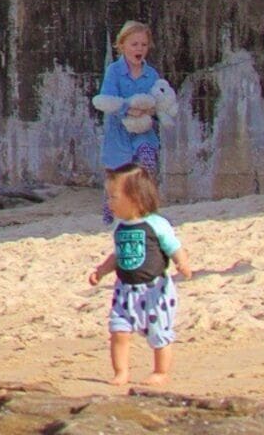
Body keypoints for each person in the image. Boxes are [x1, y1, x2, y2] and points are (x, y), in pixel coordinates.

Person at [87, 163, 192, 392]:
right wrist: (102, 270)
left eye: (114, 197)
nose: (109, 203)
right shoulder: (121, 227)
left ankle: (160, 371)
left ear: (134, 197)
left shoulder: (156, 224)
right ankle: (121, 371)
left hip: (154, 290)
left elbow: (173, 246)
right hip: (125, 290)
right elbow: (118, 255)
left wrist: (181, 262)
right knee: (118, 331)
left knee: (159, 333)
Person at [92, 20, 177, 208]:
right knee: (117, 181)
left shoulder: (152, 74)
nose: (140, 48)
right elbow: (107, 99)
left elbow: (158, 101)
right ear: (122, 46)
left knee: (147, 163)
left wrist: (152, 111)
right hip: (118, 134)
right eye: (134, 44)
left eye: (144, 44)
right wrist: (128, 108)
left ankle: (144, 208)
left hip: (144, 132)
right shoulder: (113, 71)